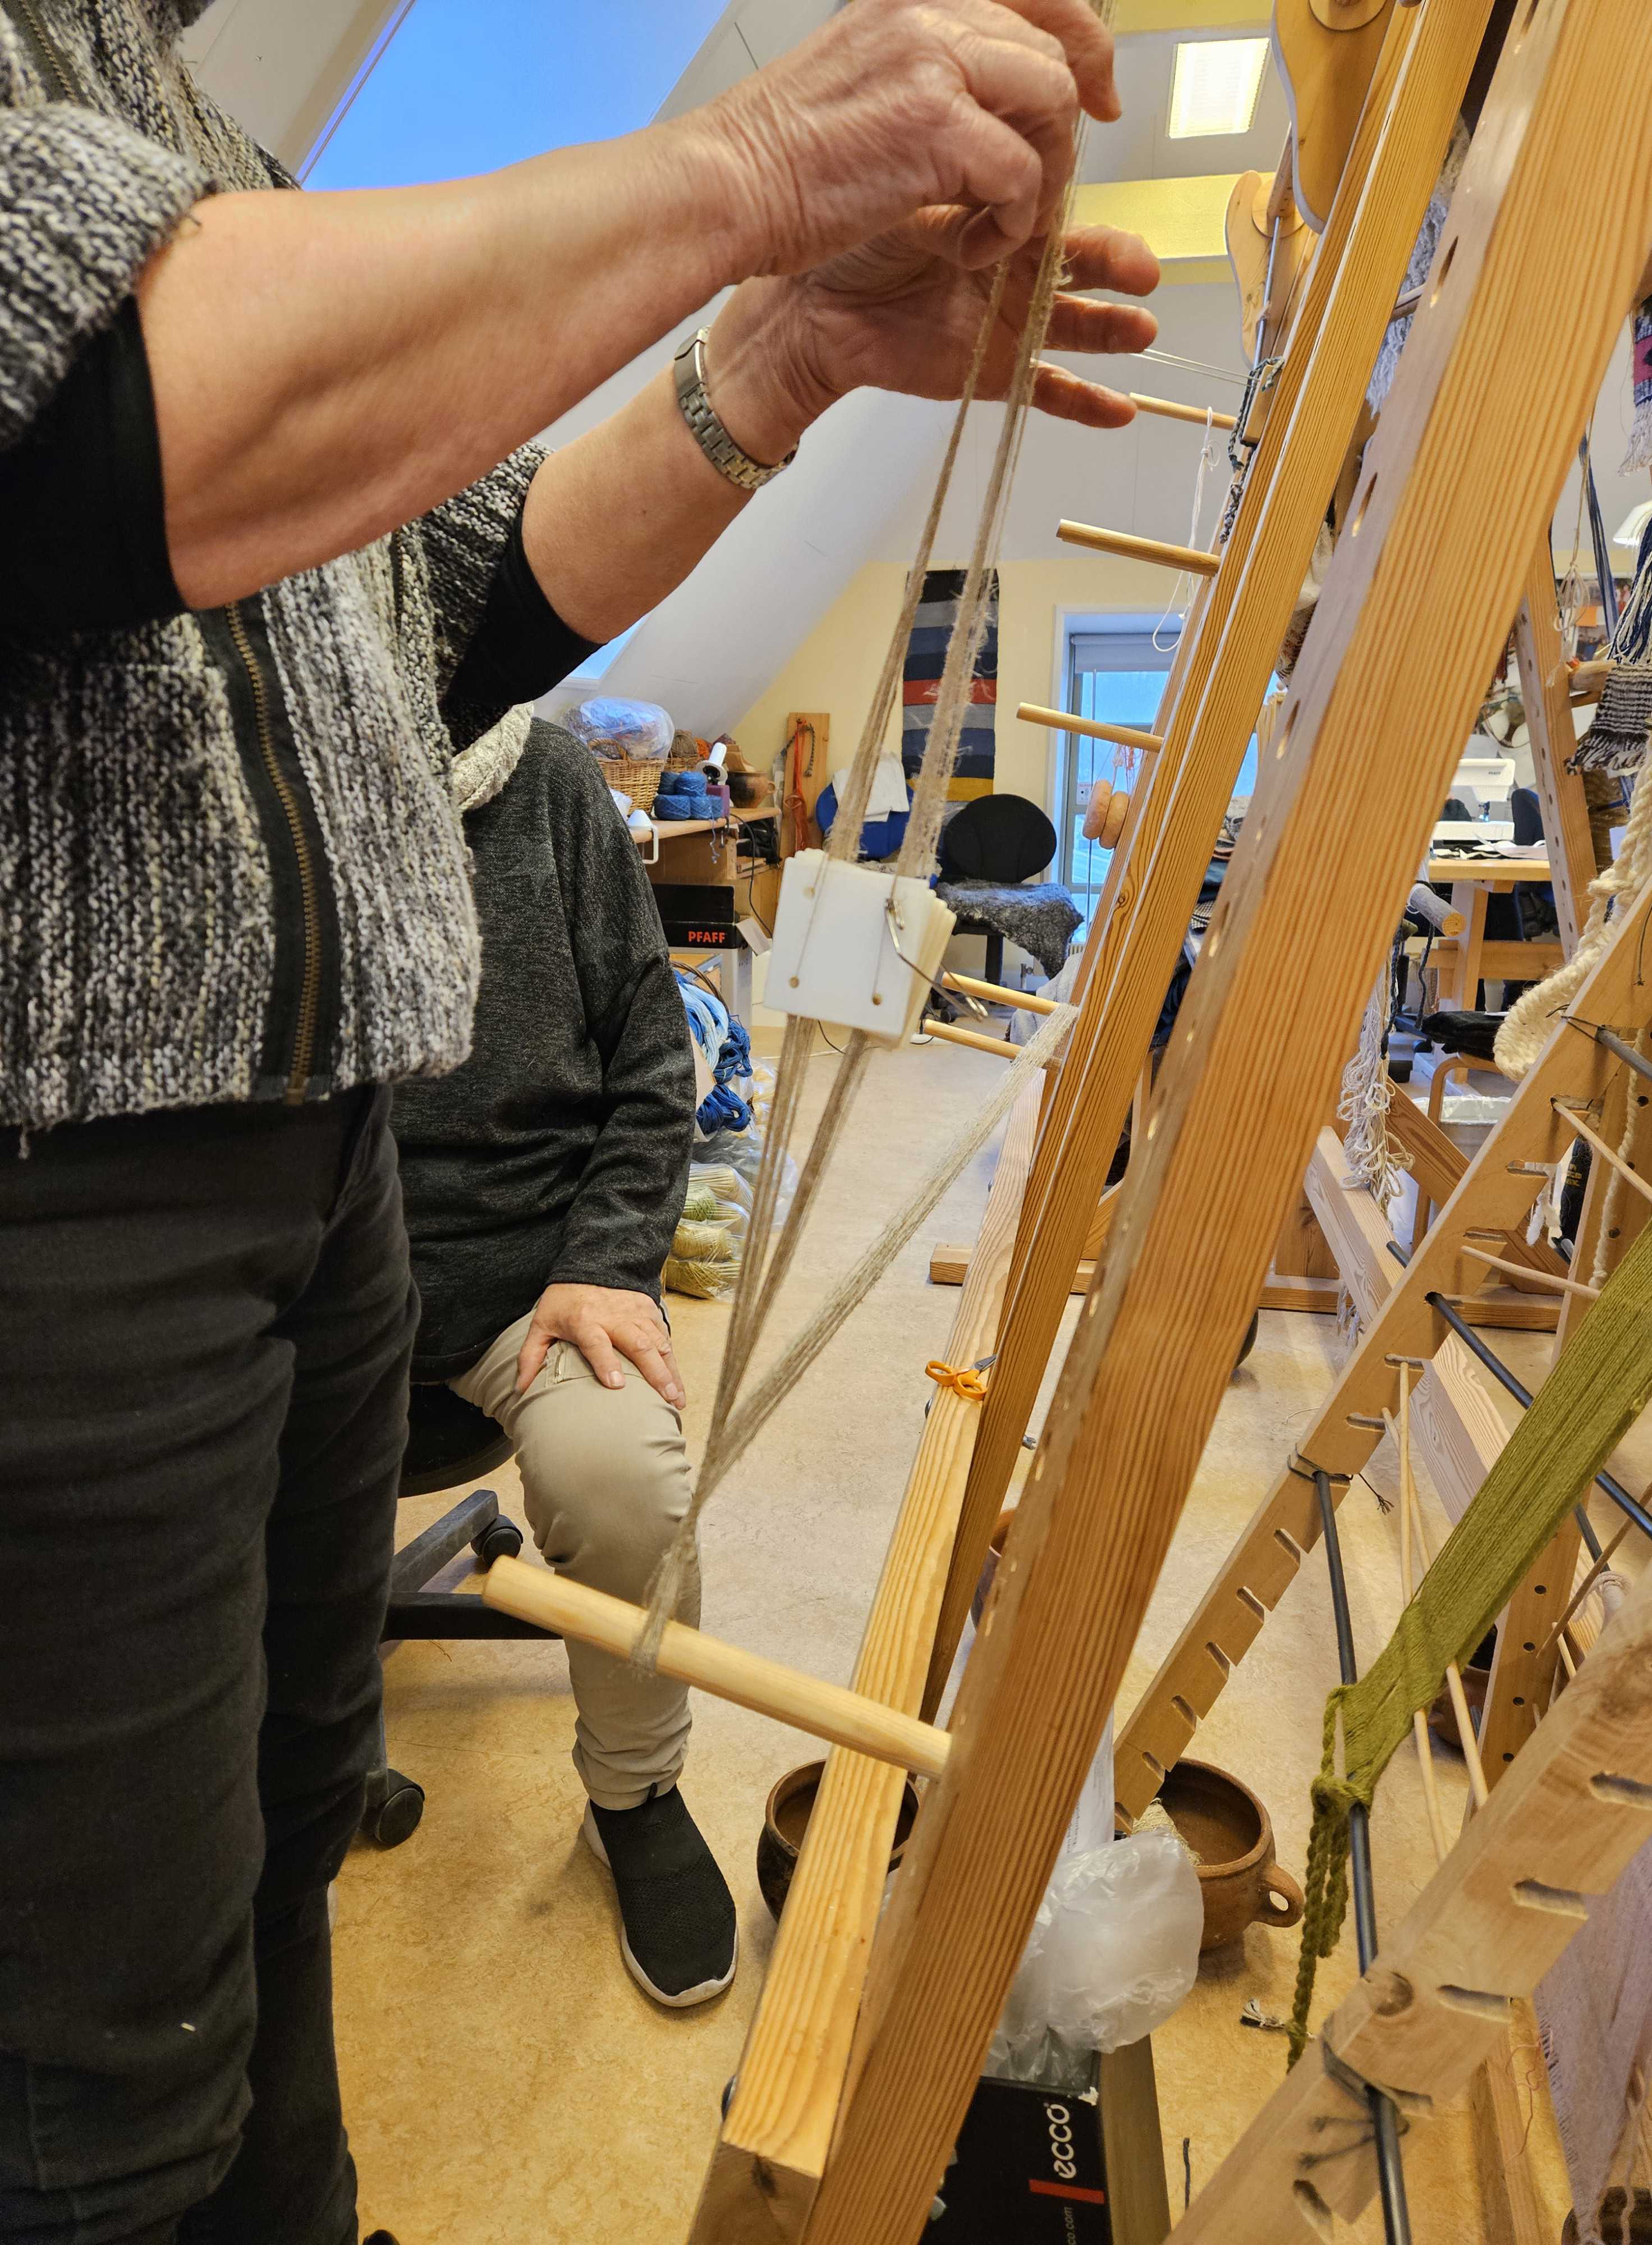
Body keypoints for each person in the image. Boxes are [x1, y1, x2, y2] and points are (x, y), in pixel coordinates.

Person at [0, 1, 1158, 2236]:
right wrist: (745, 170)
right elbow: (103, 440)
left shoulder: (181, 116)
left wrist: (791, 348)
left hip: (307, 1169)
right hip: (66, 1200)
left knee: (276, 1850)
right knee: (88, 2070)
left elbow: (455, 599)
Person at [391, 708, 725, 2009]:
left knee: (624, 1485)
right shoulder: (246, 754)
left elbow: (653, 1056)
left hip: (536, 1286)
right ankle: (262, 1776)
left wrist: (609, 1257)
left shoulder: (552, 780)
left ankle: (635, 1794)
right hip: (305, 1285)